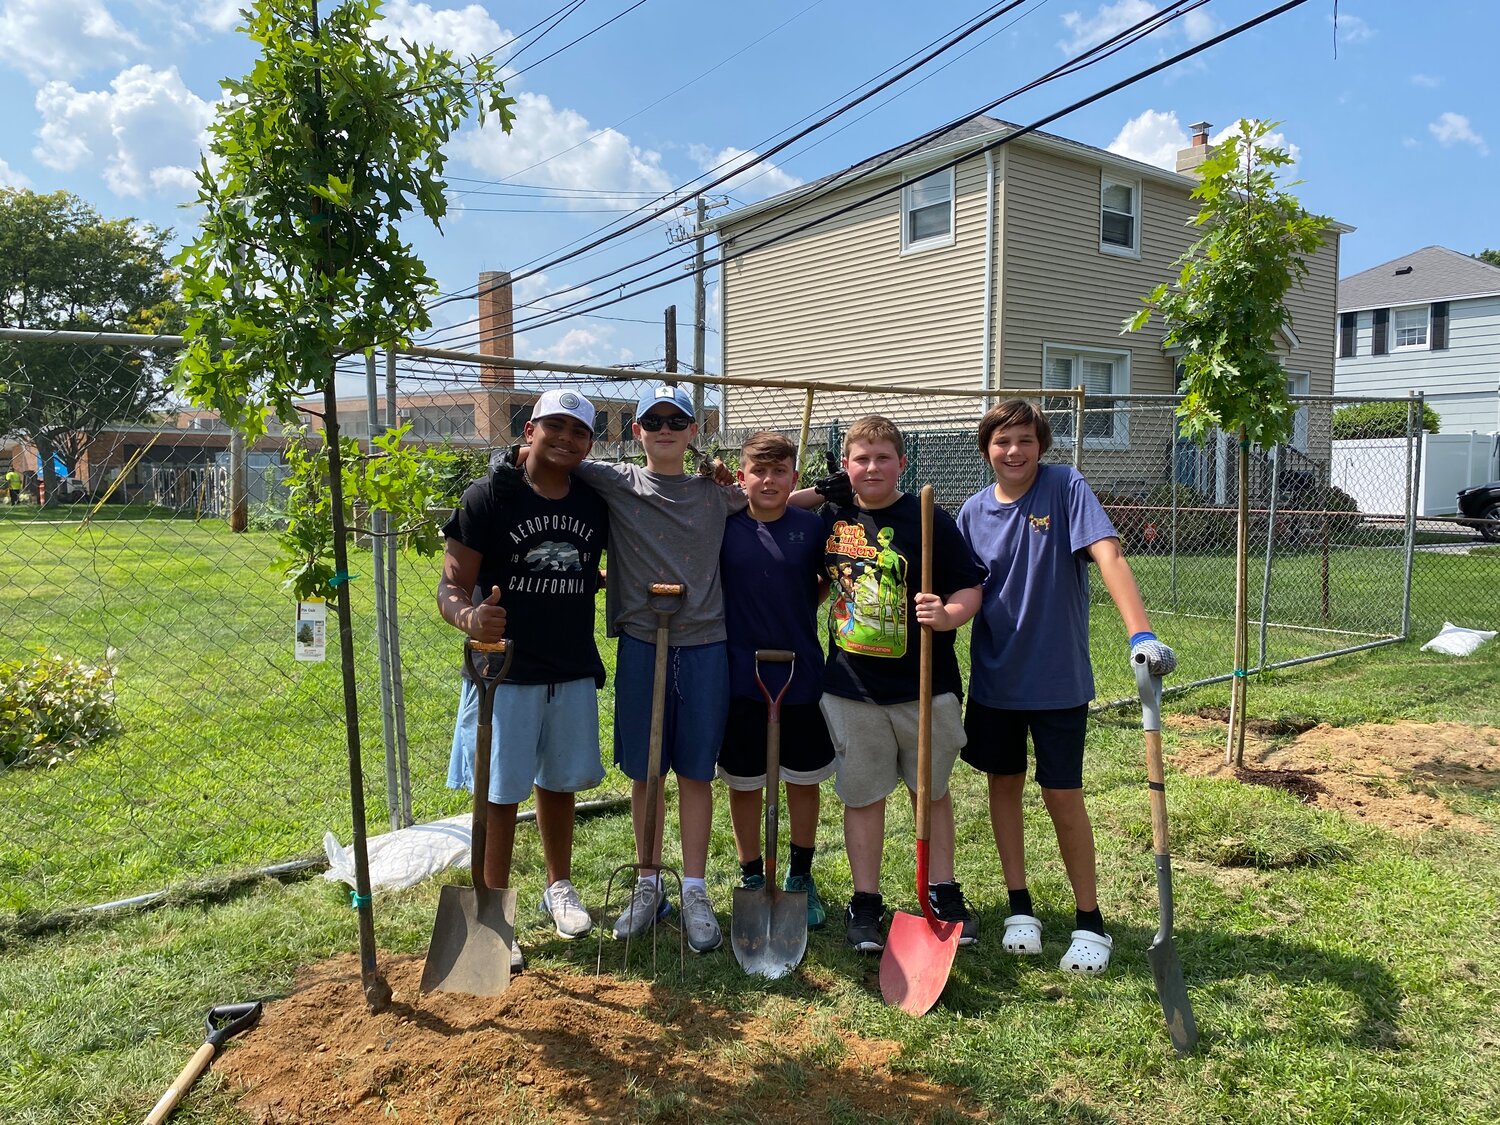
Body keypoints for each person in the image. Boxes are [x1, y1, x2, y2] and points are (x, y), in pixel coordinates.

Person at [512, 382, 746, 954]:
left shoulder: (717, 494)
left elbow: (773, 498)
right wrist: (515, 455)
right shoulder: (614, 481)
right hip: (643, 641)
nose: (665, 429)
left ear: (694, 431)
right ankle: (647, 882)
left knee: (694, 771)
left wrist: (834, 488)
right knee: (645, 771)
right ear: (636, 432)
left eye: (676, 421)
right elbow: (543, 457)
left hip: (705, 643)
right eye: (653, 421)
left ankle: (693, 889)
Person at [955, 399, 1176, 976]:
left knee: (1062, 794)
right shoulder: (973, 512)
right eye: (1002, 441)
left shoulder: (1065, 486)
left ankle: (1089, 919)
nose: (1014, 451)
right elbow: (960, 587)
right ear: (987, 449)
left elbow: (1109, 555)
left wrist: (1140, 632)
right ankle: (1019, 907)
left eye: (1025, 440)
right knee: (1003, 786)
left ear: (1040, 445)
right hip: (995, 682)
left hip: (1058, 683)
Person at [437, 388, 610, 971]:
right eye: (554, 427)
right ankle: (492, 913)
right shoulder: (489, 496)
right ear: (529, 429)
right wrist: (469, 616)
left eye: (578, 432)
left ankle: (559, 888)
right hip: (504, 671)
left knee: (559, 784)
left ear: (589, 444)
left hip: (569, 663)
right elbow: (451, 585)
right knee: (501, 791)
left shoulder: (591, 500)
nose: (565, 439)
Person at [812, 415, 985, 953]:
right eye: (860, 458)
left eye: (883, 457)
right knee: (862, 796)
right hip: (851, 686)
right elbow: (779, 520)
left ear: (902, 464)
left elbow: (969, 585)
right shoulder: (832, 517)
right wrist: (819, 491)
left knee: (929, 793)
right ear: (846, 466)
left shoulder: (928, 517)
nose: (871, 468)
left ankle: (941, 890)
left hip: (924, 686)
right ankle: (865, 902)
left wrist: (949, 614)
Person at [718, 430, 834, 928]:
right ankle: (749, 873)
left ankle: (800, 876)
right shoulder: (723, 525)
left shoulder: (810, 529)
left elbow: (827, 579)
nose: (768, 481)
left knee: (802, 780)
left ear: (793, 477)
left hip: (799, 673)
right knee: (744, 782)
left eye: (780, 471)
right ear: (741, 476)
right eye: (758, 472)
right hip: (739, 675)